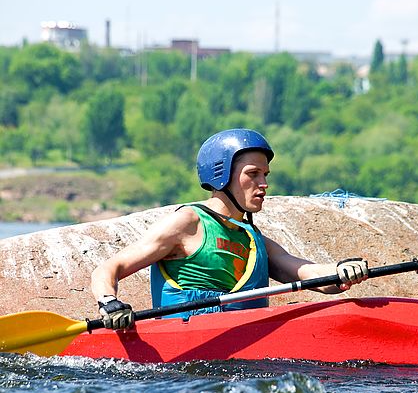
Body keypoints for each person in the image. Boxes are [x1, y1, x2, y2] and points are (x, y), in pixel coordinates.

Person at [91, 128, 368, 329]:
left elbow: (309, 273)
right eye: (253, 174)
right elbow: (108, 269)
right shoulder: (188, 222)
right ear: (221, 175)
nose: (264, 184)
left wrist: (342, 271)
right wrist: (109, 302)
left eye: (265, 175)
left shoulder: (254, 240)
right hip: (184, 360)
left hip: (240, 358)